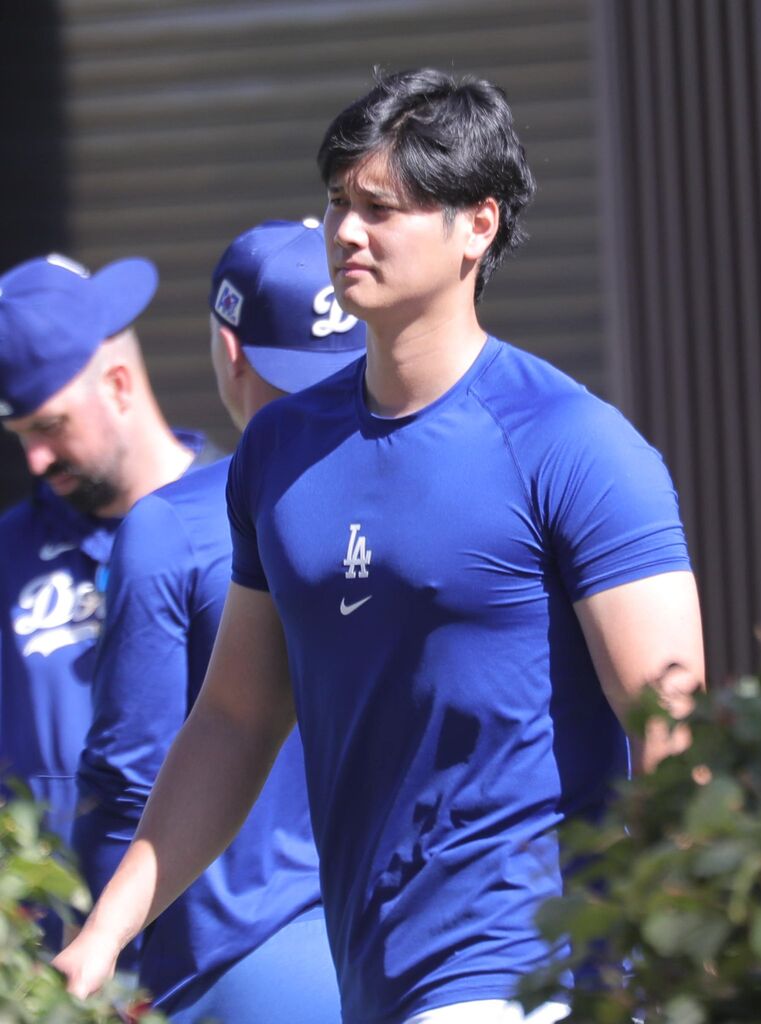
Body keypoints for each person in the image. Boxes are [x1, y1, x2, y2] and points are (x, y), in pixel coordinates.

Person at [56, 68, 705, 1024]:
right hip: (370, 975)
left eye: (380, 208)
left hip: (537, 972)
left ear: (477, 225)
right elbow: (235, 718)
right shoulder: (279, 451)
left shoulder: (575, 445)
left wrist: (682, 959)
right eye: (337, 202)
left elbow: (669, 720)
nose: (346, 232)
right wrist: (105, 935)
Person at [73, 218, 365, 1021]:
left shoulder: (175, 528)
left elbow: (130, 778)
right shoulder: (436, 493)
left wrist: (99, 953)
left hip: (230, 972)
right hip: (422, 951)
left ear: (230, 351)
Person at [0, 253, 219, 949]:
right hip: (56, 964)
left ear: (118, 385)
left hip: (219, 948)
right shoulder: (9, 555)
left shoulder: (236, 521)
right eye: (20, 436)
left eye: (50, 426)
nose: (36, 460)